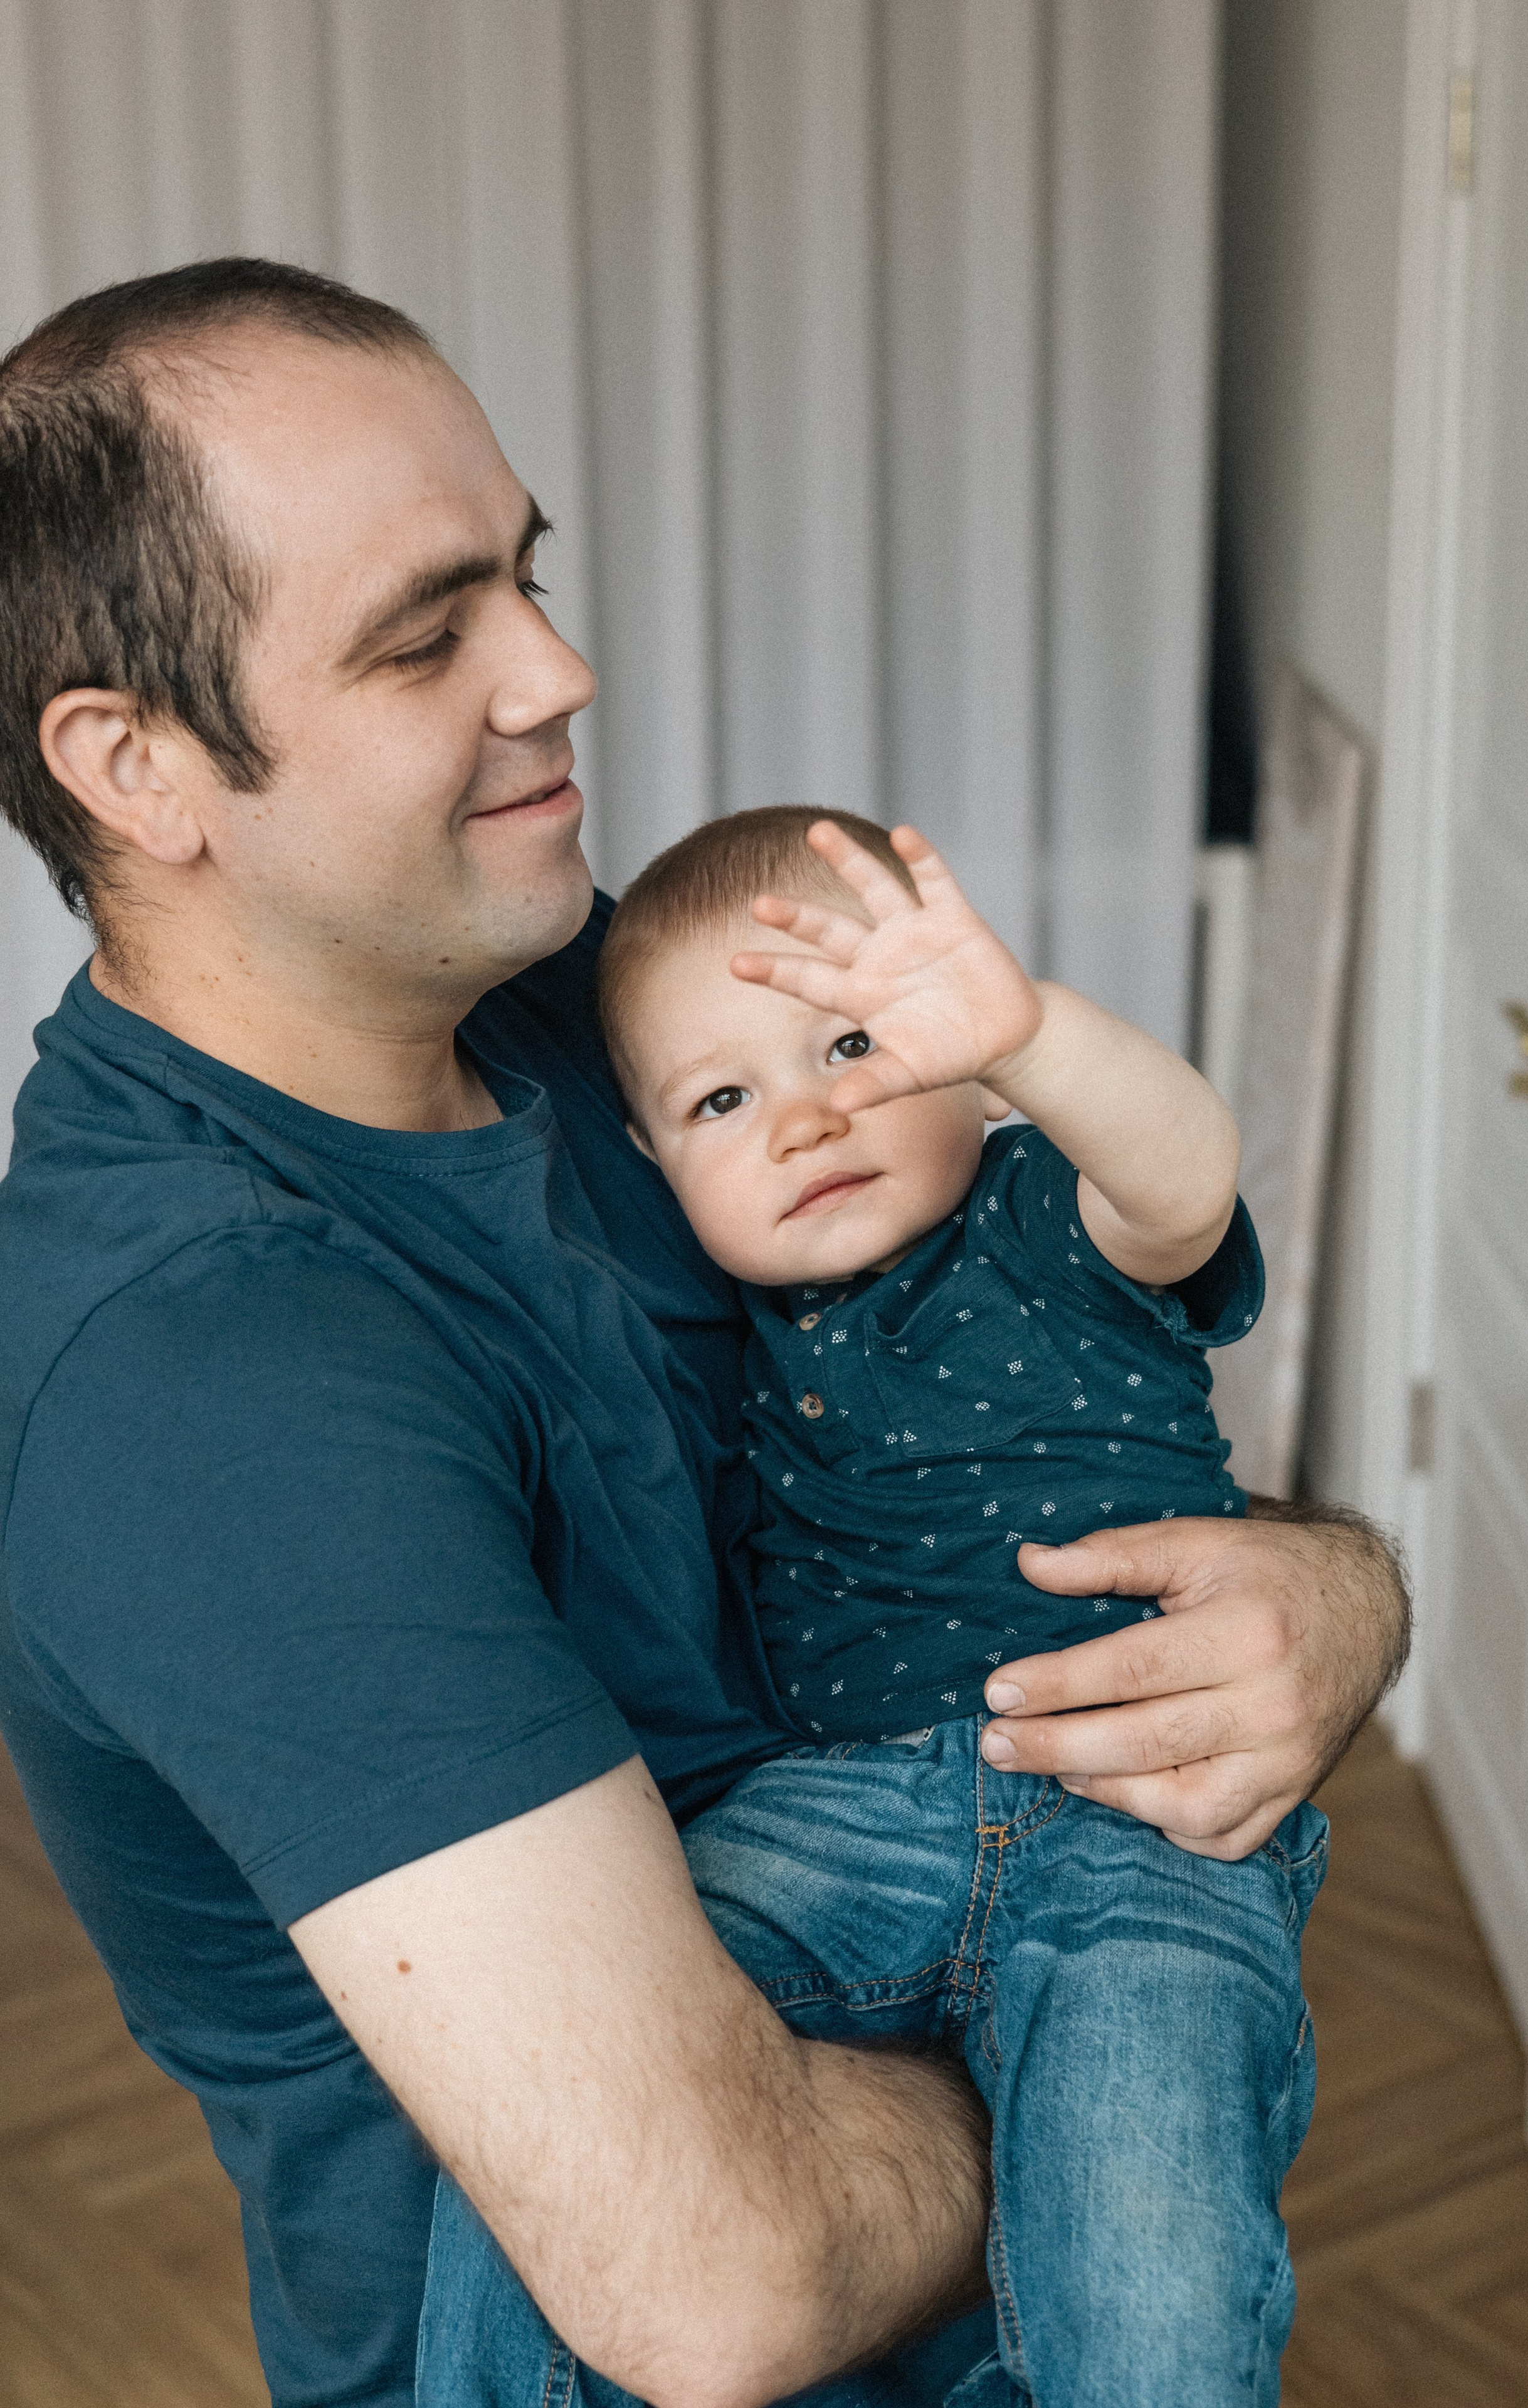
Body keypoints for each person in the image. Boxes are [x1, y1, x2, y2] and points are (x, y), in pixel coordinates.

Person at [0, 258, 1409, 2408]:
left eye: (528, 574)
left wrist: (1332, 1590)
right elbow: (718, 2280)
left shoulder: (599, 1017)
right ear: (139, 764)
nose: (560, 670)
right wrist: (1135, 2122)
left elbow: (1049, 1348)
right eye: (428, 634)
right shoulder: (196, 1376)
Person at [427, 802, 1312, 2406]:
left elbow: (1184, 1174)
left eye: (853, 1044)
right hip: (836, 1808)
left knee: (1151, 2245)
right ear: (654, 1160)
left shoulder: (1047, 1213)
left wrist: (1030, 1039)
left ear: (963, 1063)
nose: (804, 1118)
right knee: (576, 2098)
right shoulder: (720, 1320)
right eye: (722, 1098)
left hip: (1137, 1817)